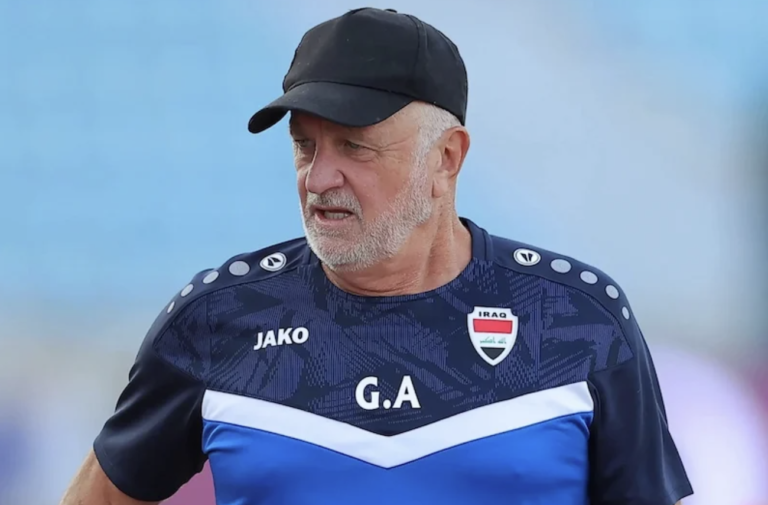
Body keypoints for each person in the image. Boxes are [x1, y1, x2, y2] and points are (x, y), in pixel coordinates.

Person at [59, 7, 693, 505]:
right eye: (305, 146)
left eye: (354, 147)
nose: (318, 178)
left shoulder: (576, 318)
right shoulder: (218, 319)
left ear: (447, 157)